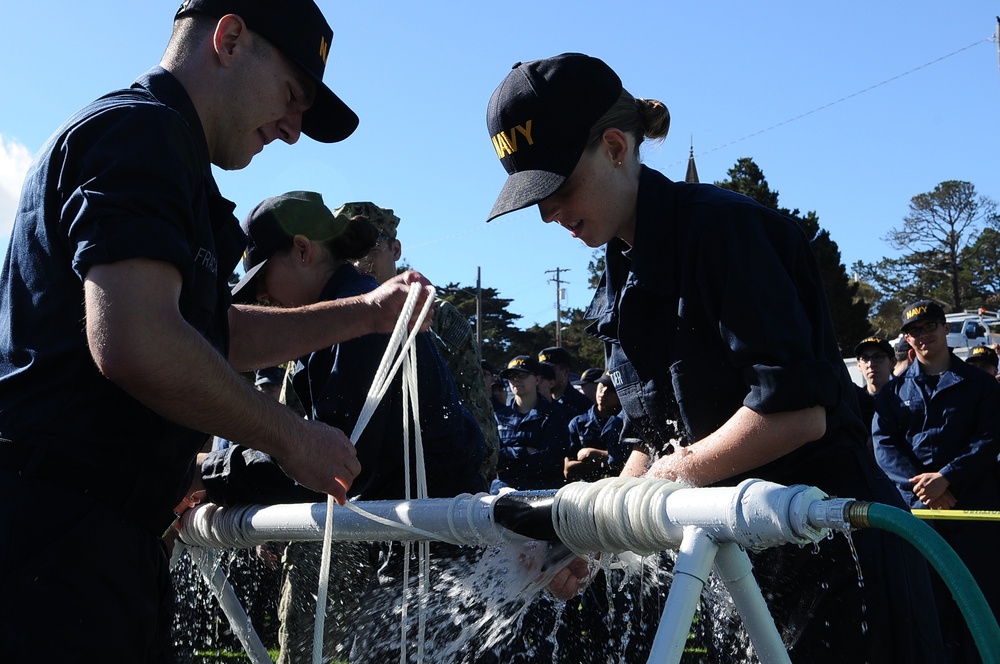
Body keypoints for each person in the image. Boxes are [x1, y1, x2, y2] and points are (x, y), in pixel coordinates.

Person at [0, 3, 434, 661]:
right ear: (229, 39)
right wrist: (289, 436)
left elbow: (206, 333)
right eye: (292, 97)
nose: (292, 132)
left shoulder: (156, 144)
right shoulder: (140, 134)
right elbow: (137, 339)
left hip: (88, 539)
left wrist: (367, 314)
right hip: (58, 546)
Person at [484, 52, 945, 661]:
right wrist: (589, 538)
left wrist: (654, 489)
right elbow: (653, 440)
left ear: (617, 148)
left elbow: (797, 411)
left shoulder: (728, 233)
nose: (548, 213)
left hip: (838, 556)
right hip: (741, 558)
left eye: (558, 187)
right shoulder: (617, 277)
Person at [198, 191, 487, 662]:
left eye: (262, 280)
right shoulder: (344, 316)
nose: (263, 299)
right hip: (417, 544)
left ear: (303, 250)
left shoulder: (357, 320)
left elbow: (334, 459)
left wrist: (212, 474)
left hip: (434, 556)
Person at [873, 300, 1000, 662]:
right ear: (907, 339)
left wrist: (947, 478)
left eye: (930, 326)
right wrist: (925, 489)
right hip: (919, 518)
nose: (922, 335)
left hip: (973, 513)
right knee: (927, 608)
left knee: (982, 604)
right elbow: (885, 449)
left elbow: (990, 440)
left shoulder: (981, 385)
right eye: (914, 331)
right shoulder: (892, 394)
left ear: (946, 329)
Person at [346, 200, 501, 483]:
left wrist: (482, 473)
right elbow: (293, 407)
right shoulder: (330, 321)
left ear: (395, 249)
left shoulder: (435, 316)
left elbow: (474, 398)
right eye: (347, 251)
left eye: (370, 248)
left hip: (430, 479)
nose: (359, 263)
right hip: (354, 478)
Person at [493, 355, 572, 492]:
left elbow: (550, 459)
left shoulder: (553, 415)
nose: (516, 380)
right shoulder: (499, 416)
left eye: (522, 375)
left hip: (543, 492)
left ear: (537, 379)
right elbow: (492, 458)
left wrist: (509, 461)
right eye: (511, 376)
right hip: (504, 491)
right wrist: (525, 451)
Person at [564, 371, 626, 481]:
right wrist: (606, 460)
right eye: (602, 386)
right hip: (586, 488)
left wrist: (593, 455)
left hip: (616, 486)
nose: (603, 392)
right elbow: (568, 469)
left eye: (611, 389)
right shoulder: (578, 423)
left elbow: (625, 461)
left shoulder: (625, 423)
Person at [852, 336, 894, 443]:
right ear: (859, 366)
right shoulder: (854, 402)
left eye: (878, 357)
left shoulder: (907, 397)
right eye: (865, 358)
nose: (871, 364)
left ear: (892, 362)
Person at [538, 346, 593, 417]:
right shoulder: (537, 401)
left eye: (550, 370)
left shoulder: (581, 404)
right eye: (541, 370)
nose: (544, 374)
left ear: (566, 371)